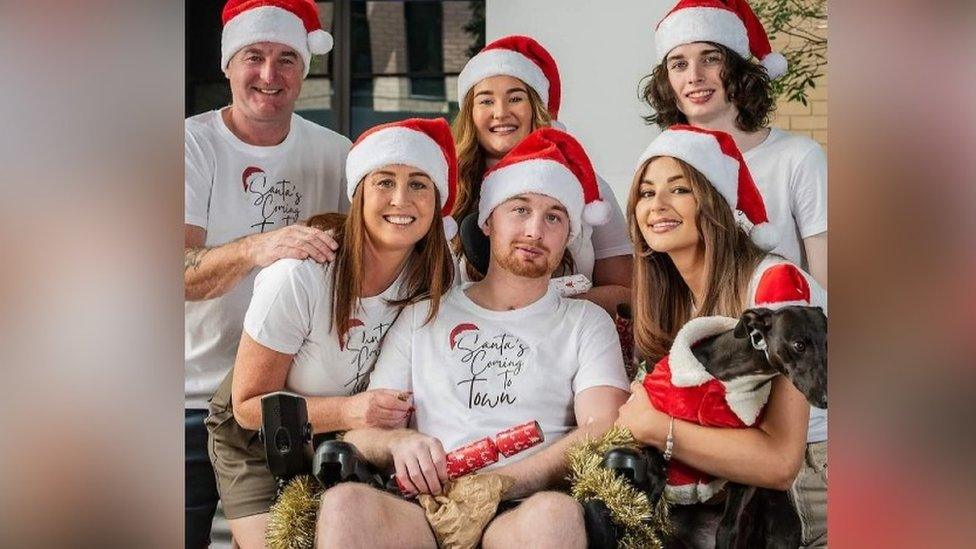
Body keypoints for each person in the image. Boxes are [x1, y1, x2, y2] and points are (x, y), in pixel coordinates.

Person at [314, 128, 631, 548]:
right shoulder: (423, 313)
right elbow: (362, 432)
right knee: (345, 503)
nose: (535, 231)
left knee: (555, 515)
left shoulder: (586, 322)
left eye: (554, 216)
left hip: (521, 508)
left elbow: (603, 424)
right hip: (425, 505)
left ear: (569, 234)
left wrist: (504, 482)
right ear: (488, 220)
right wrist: (399, 442)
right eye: (520, 209)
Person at [206, 118, 458, 546]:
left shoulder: (430, 277)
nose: (402, 199)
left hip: (353, 433)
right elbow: (247, 406)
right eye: (384, 182)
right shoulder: (300, 276)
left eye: (419, 184)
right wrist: (350, 411)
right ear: (358, 194)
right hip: (260, 436)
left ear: (437, 203)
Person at [184, 1, 348, 546]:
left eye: (286, 59)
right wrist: (258, 247)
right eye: (253, 56)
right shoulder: (188, 145)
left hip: (281, 405)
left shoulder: (338, 155)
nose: (269, 75)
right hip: (182, 398)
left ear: (304, 69)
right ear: (229, 64)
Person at [616, 125, 827, 547]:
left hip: (806, 492)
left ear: (712, 203)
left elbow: (780, 461)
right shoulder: (675, 299)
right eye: (645, 192)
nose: (656, 205)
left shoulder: (777, 287)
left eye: (678, 189)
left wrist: (656, 427)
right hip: (729, 494)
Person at [642, 0, 827, 287]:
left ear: (740, 71)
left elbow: (829, 288)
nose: (694, 76)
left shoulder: (798, 158)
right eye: (679, 64)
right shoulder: (660, 166)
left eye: (711, 59)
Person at [452, 35, 633, 314]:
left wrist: (541, 305)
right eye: (486, 101)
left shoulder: (585, 186)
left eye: (515, 98)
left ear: (535, 107)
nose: (500, 112)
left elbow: (626, 294)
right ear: (470, 114)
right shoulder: (448, 191)